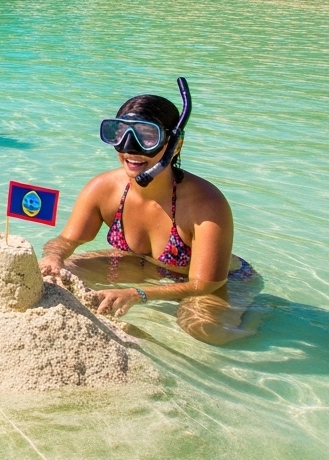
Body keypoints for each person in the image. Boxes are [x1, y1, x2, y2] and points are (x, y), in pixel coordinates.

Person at [38, 83, 261, 345]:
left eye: (147, 137)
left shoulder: (206, 204)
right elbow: (66, 242)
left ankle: (259, 316)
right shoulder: (104, 188)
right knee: (59, 276)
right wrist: (53, 257)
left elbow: (205, 283)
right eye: (120, 133)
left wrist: (138, 294)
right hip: (141, 264)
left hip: (210, 280)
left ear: (175, 145)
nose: (130, 148)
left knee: (204, 329)